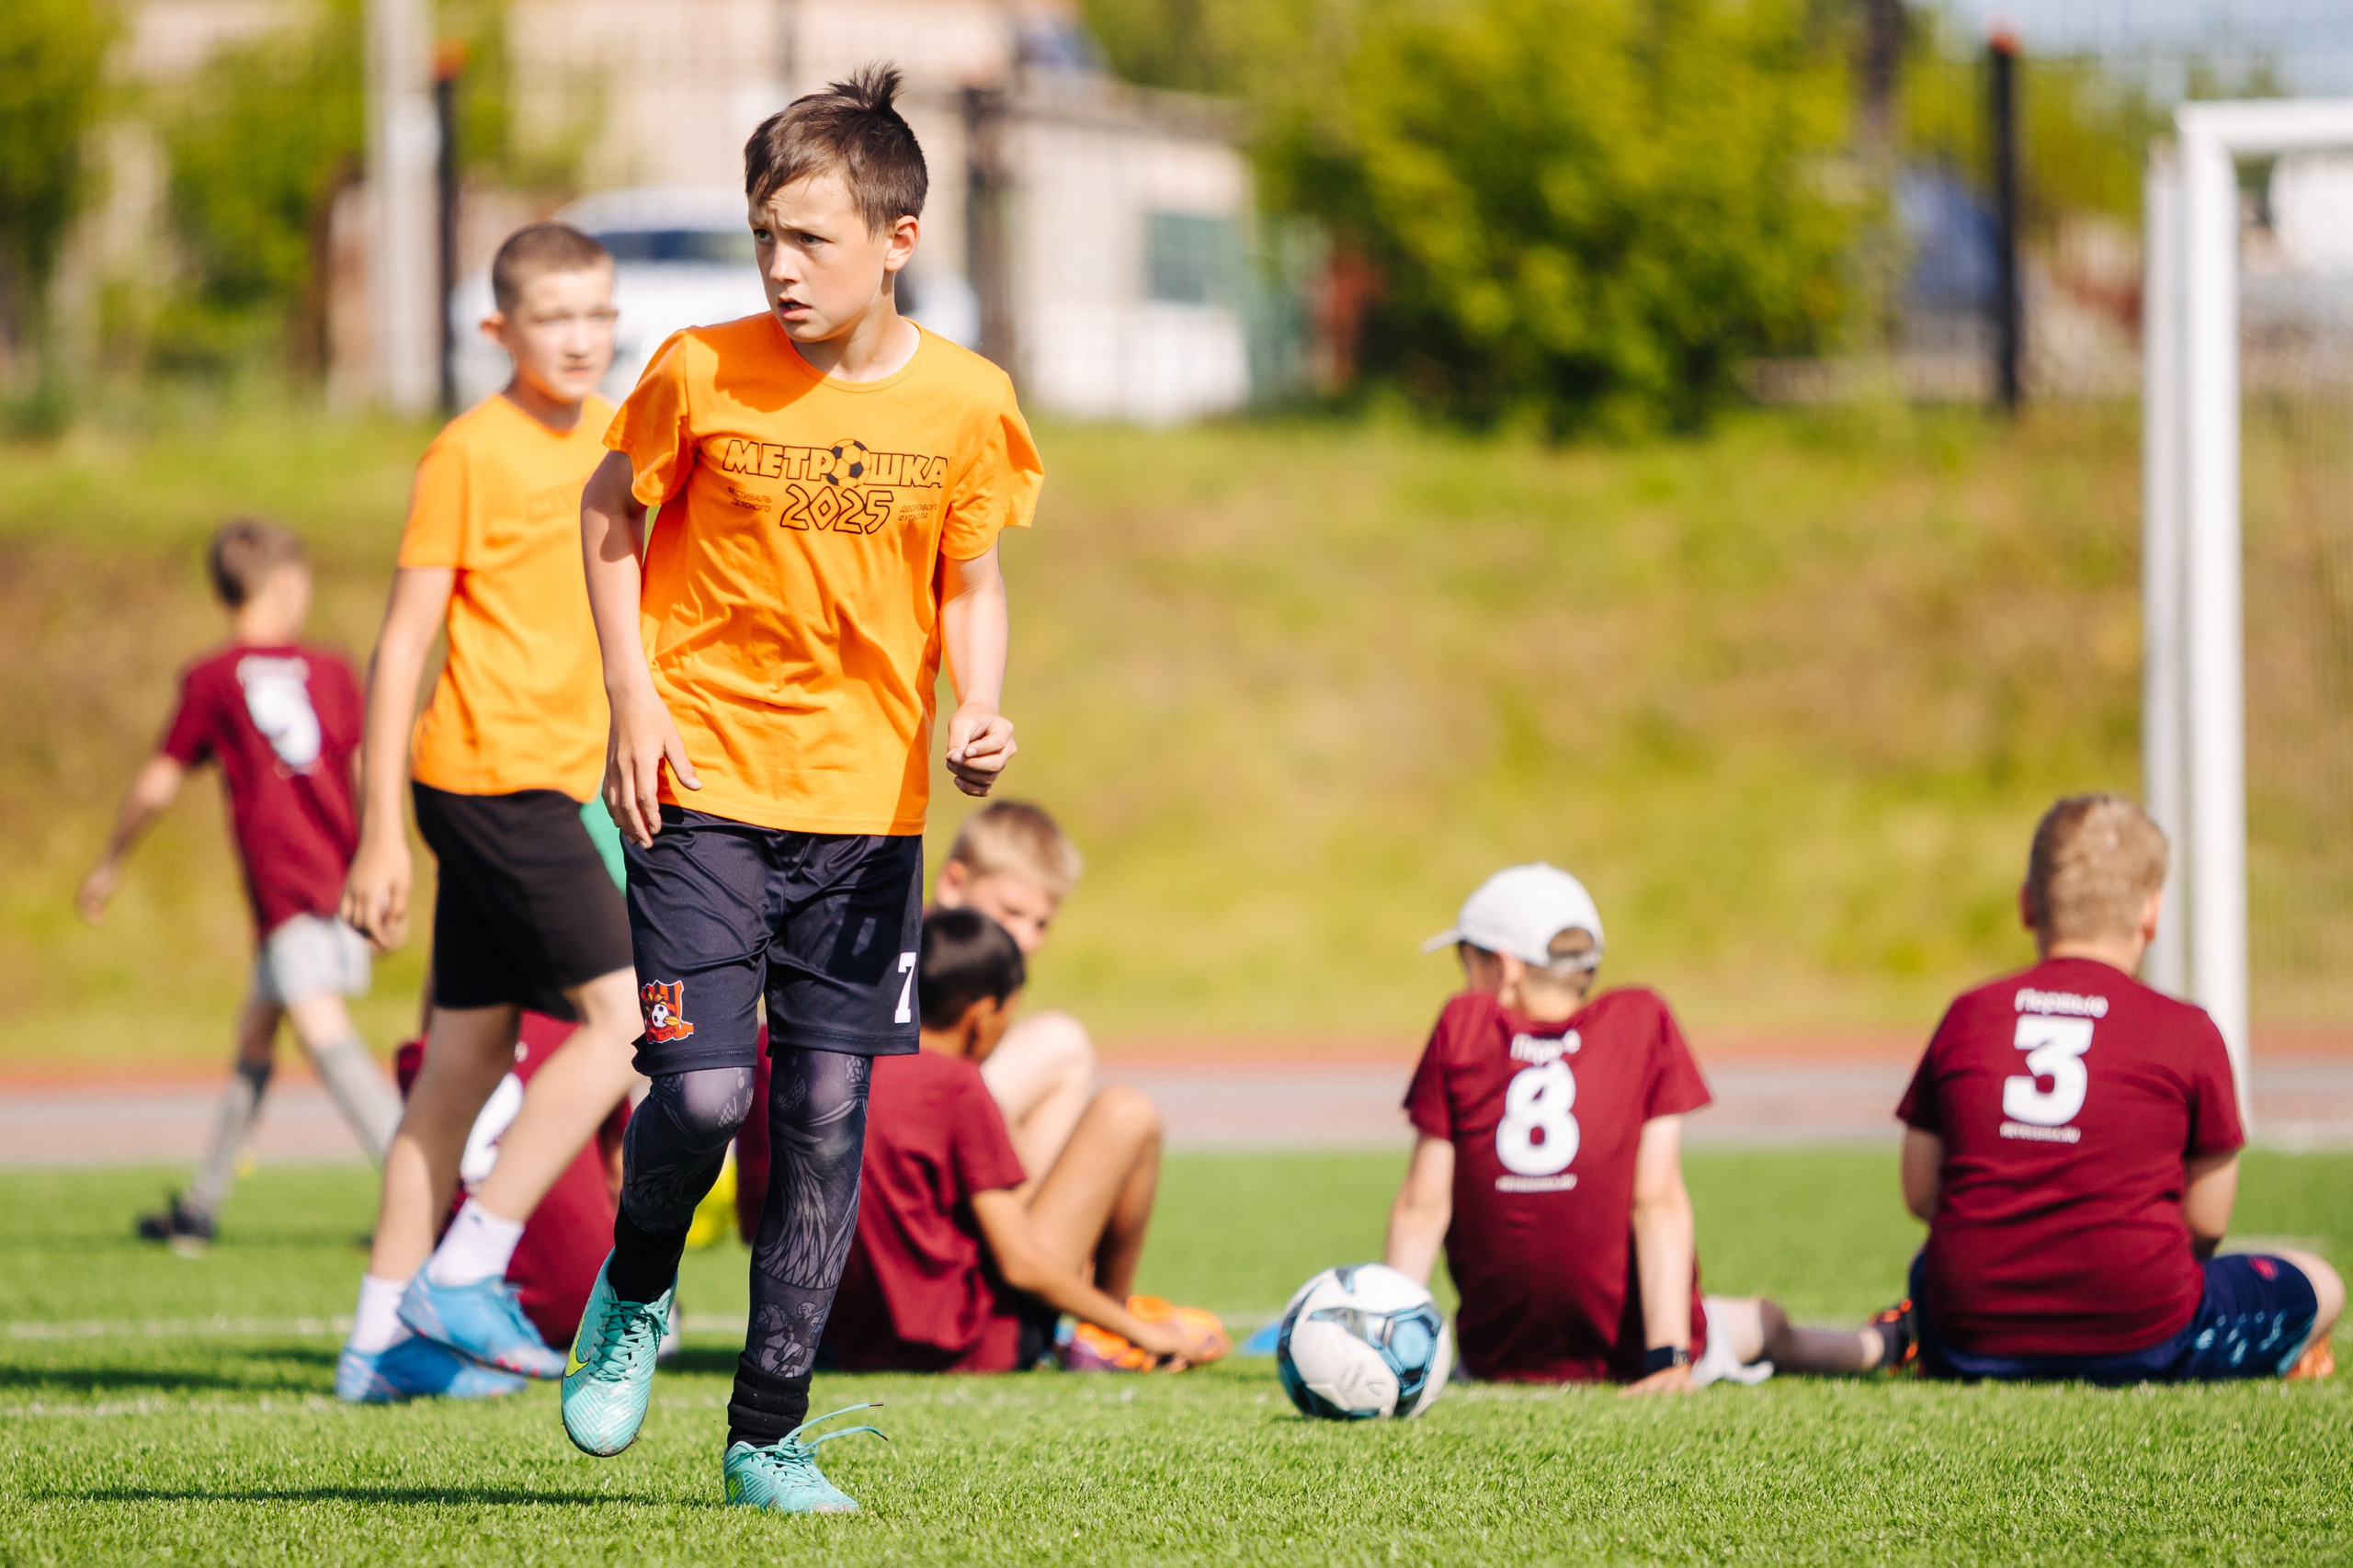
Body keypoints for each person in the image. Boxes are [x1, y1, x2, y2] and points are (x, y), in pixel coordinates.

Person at [561, 66, 1042, 1514]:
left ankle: (765, 1434)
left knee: (828, 1114)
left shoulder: (968, 401)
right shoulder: (697, 367)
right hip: (699, 782)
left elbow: (974, 578)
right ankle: (636, 1285)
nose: (780, 266)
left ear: (897, 236)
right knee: (704, 1092)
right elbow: (606, 512)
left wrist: (980, 706)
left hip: (867, 815)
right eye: (766, 233)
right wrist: (631, 695)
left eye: (812, 240)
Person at [334, 222, 644, 1404]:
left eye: (598, 314)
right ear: (497, 331)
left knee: (461, 1061)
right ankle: (466, 1270)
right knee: (630, 1027)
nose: (580, 338)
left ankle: (376, 1348)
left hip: (557, 782)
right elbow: (401, 642)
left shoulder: (624, 437)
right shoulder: (468, 452)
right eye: (554, 317)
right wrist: (375, 833)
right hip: (481, 777)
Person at [1767, 795, 2343, 1384]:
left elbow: (1921, 1194)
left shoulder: (1969, 1014)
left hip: (1970, 1332)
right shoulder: (2189, 1031)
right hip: (2143, 1331)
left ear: (2025, 903)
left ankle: (1914, 1335)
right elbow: (2207, 1222)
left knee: (1931, 1268)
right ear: (2152, 913)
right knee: (2321, 1282)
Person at [77, 517, 402, 1252]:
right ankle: (201, 1206)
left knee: (322, 1033)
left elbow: (159, 784)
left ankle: (428, 1202)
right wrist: (384, 859)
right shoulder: (331, 669)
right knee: (258, 1031)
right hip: (339, 876)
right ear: (286, 584)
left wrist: (111, 861)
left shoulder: (214, 677)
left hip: (286, 887)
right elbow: (364, 771)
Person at [1383, 864, 1778, 1392]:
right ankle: (1882, 1345)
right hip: (1633, 1352)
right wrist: (1669, 1358)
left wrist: (1385, 1353)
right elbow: (1656, 1200)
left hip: (1496, 1356)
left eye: (1466, 961)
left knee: (1757, 1321)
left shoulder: (1463, 1026)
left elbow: (1422, 1208)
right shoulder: (1641, 1019)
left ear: (1504, 966)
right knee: (1769, 1323)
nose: (1464, 980)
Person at [823, 908, 1226, 1374]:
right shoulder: (955, 1084)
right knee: (1127, 1113)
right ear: (984, 1014)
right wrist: (1138, 1332)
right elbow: (1020, 1265)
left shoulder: (838, 1067)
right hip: (973, 1342)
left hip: (847, 1341)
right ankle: (1103, 1334)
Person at [729, 798, 1091, 1239]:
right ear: (954, 883)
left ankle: (1033, 1248)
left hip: (871, 1154)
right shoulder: (903, 949)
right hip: (850, 1147)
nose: (1026, 938)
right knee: (1062, 1045)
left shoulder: (971, 976)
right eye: (1012, 912)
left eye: (1041, 924)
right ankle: (1033, 1252)